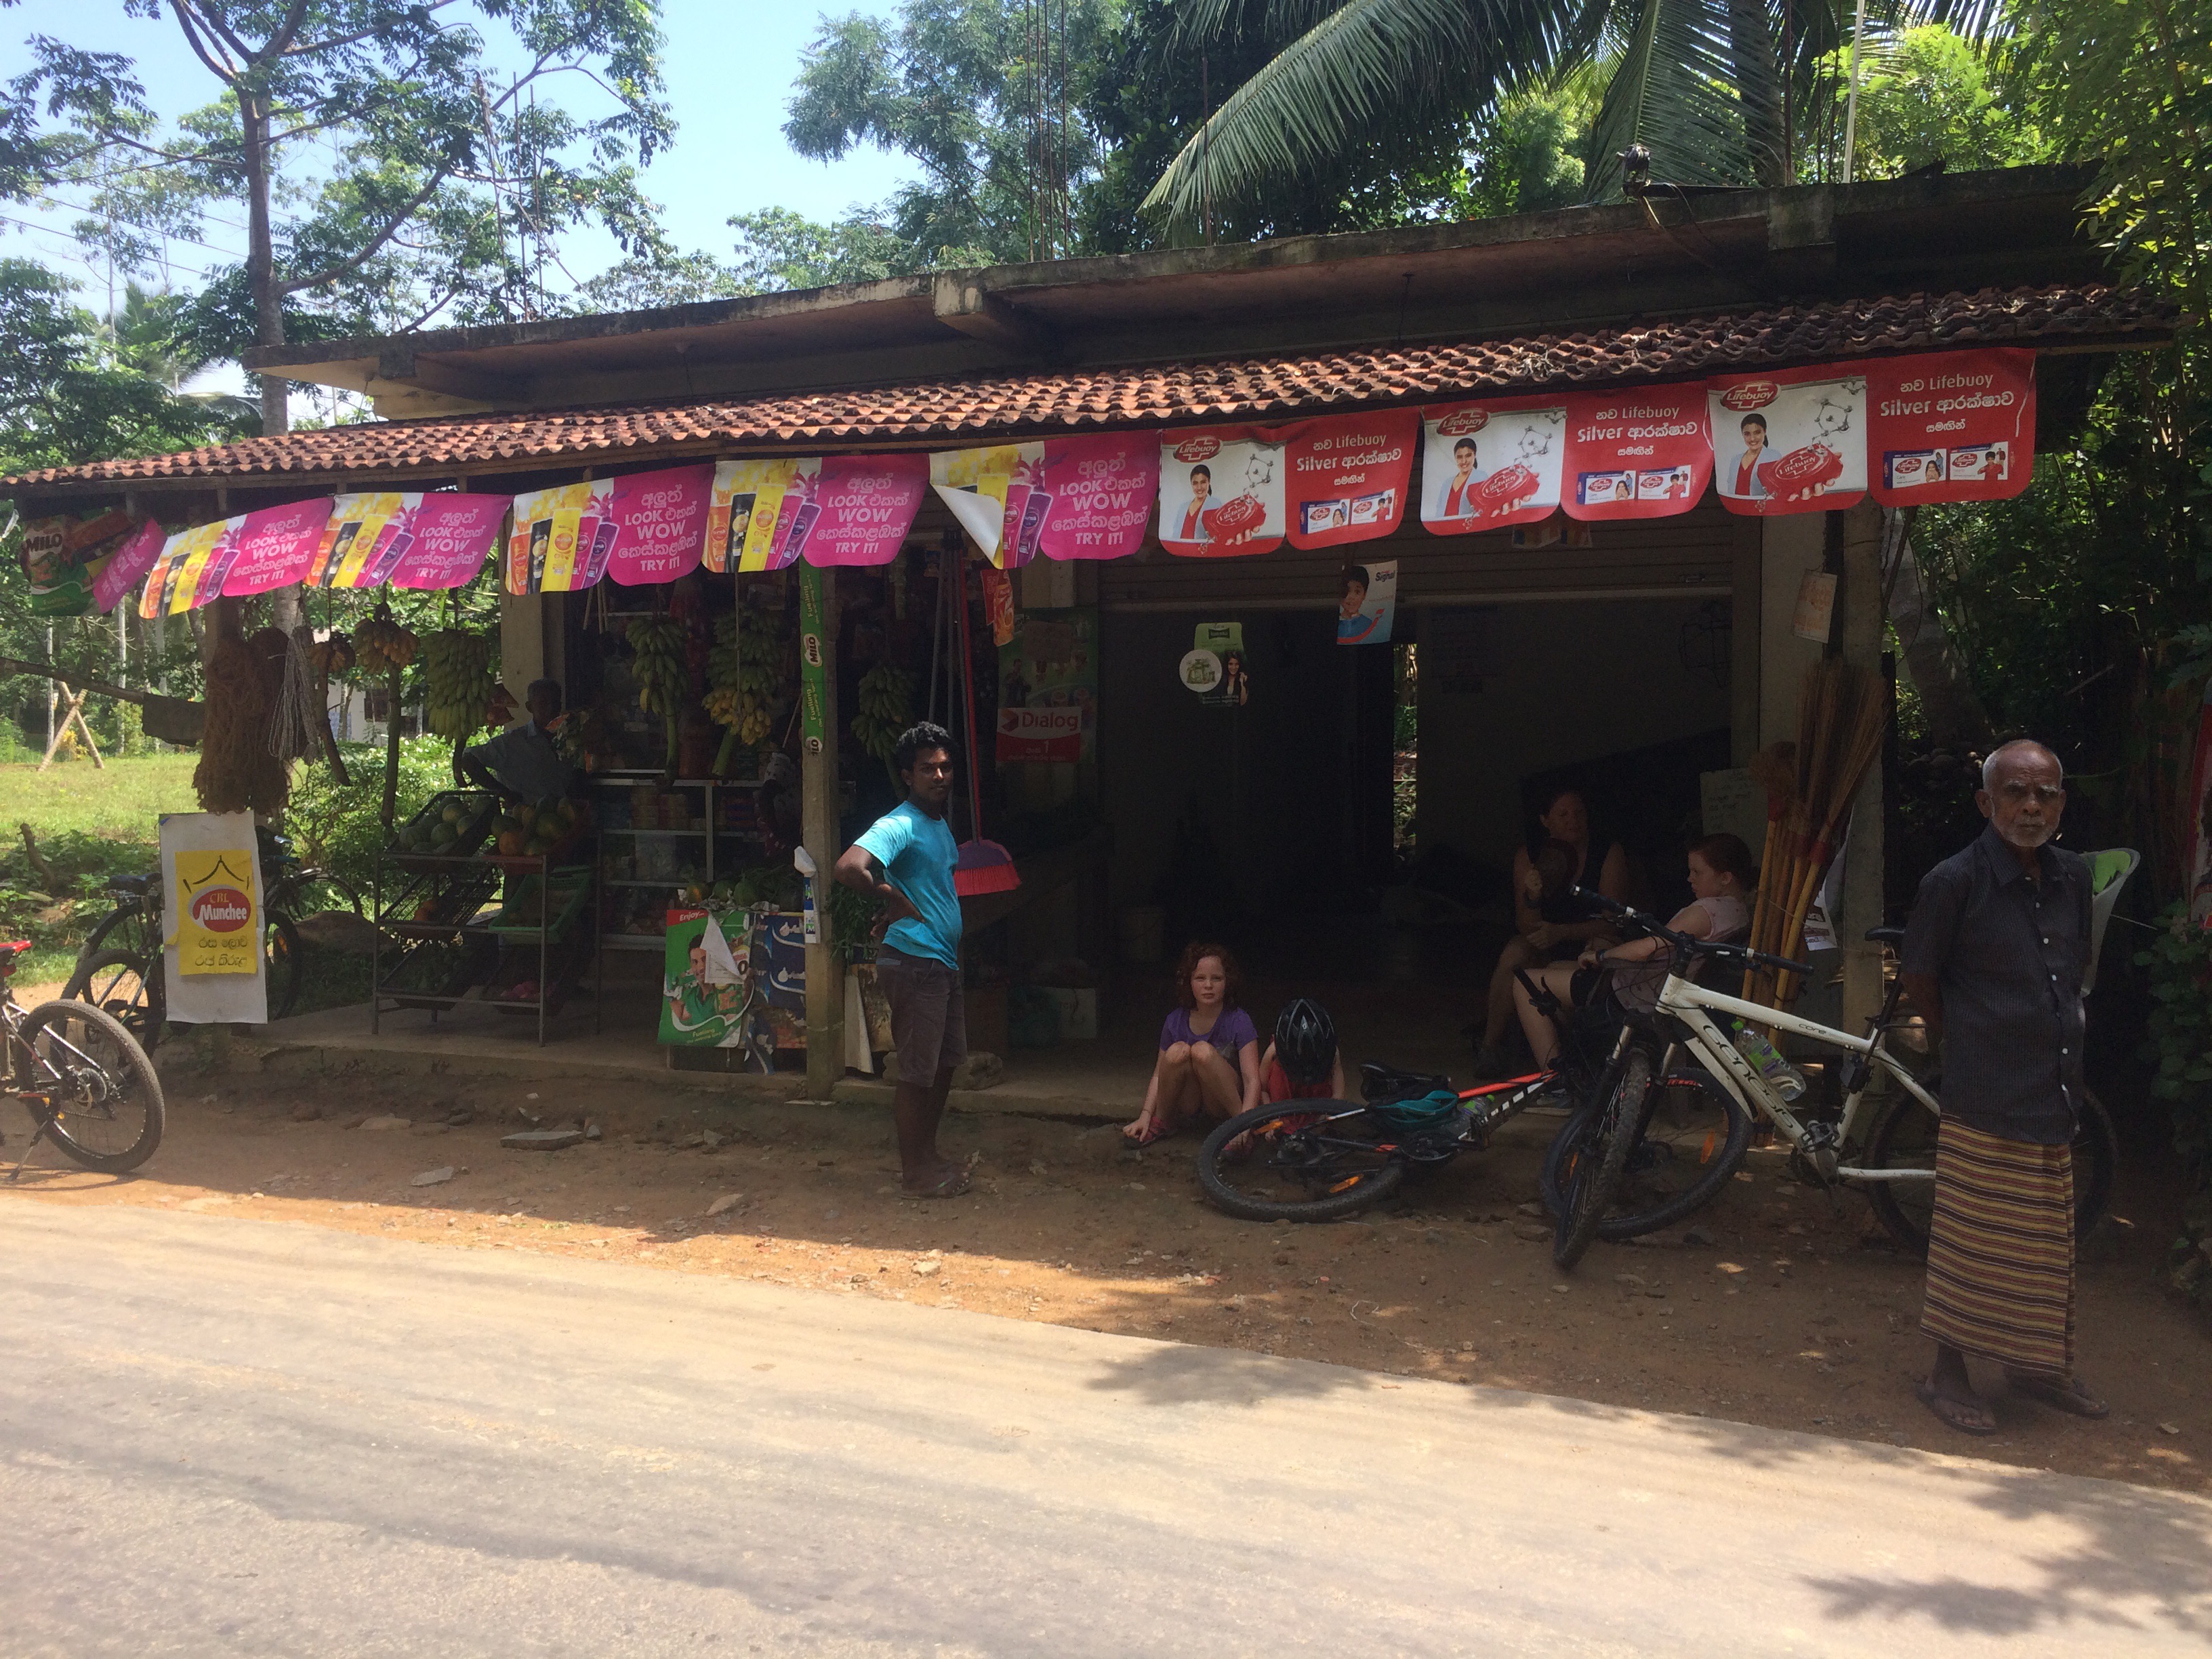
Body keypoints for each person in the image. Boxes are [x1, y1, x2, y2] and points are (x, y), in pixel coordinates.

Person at [1900, 739, 2104, 1436]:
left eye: (2045, 794)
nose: (2031, 806)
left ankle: (2035, 1367)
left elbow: (2073, 968)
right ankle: (1946, 1373)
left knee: (2045, 1241)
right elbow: (1920, 976)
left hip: (2054, 1084)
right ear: (1986, 803)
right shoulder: (1954, 881)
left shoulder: (2072, 877)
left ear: (2061, 804)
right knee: (1973, 1240)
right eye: (2016, 792)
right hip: (1985, 1090)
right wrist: (1969, 1034)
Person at [833, 722, 970, 1198]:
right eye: (928, 769)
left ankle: (928, 1157)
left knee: (945, 1064)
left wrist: (897, 903)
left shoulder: (937, 824)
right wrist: (889, 896)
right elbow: (849, 867)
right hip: (915, 962)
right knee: (916, 1072)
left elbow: (928, 886)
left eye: (946, 767)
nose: (940, 776)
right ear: (908, 776)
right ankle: (915, 1173)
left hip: (940, 962)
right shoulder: (900, 824)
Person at [1511, 834, 1755, 1065]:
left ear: (1725, 878)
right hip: (1653, 986)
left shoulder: (1705, 913)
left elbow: (1649, 949)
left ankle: (1553, 1079)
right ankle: (1575, 1063)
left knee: (1525, 984)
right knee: (1554, 968)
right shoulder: (1739, 913)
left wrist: (1601, 956)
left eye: (1697, 872)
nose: (1690, 879)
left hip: (1632, 993)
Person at [1473, 785, 1631, 1076]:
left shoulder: (1607, 852)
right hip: (1546, 941)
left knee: (1603, 945)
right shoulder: (1530, 856)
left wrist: (1564, 932)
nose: (1573, 820)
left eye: (1579, 813)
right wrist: (1532, 898)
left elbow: (1614, 920)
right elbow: (1526, 924)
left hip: (1588, 940)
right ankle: (1490, 1046)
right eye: (1563, 814)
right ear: (1546, 820)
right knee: (1514, 953)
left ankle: (1588, 1047)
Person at [1123, 941, 1260, 1145]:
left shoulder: (1239, 1020)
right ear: (1189, 982)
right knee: (1177, 1051)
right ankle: (1162, 1122)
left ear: (1228, 982)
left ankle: (1239, 1130)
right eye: (1200, 978)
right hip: (1190, 1102)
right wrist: (1145, 1116)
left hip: (1222, 1103)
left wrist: (1246, 1124)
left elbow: (1252, 1080)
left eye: (1216, 978)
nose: (1208, 986)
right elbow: (1159, 1074)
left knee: (1202, 1051)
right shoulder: (1174, 1021)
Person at [455, 678, 573, 806]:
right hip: (523, 816)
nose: (550, 709)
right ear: (530, 707)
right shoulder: (512, 742)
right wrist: (505, 793)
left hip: (567, 815)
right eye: (543, 704)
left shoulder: (570, 737)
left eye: (555, 703)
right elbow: (468, 759)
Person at [1260, 997, 1344, 1103]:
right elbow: (1262, 1089)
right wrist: (1271, 1110)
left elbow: (1338, 1095)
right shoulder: (1273, 1052)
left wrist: (1328, 1112)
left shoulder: (1332, 1054)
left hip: (1320, 1105)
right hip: (1281, 1103)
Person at [1435, 437, 1480, 517]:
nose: (1464, 461)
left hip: (1467, 523)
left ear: (1475, 455)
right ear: (1455, 458)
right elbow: (1439, 509)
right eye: (1459, 457)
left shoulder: (1481, 477)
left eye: (1468, 456)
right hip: (1445, 524)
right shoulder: (1447, 483)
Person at [1730, 414, 1771, 499]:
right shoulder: (1735, 460)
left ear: (1765, 432)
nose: (1752, 439)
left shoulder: (1773, 456)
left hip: (1759, 506)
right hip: (1735, 505)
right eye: (1747, 434)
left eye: (1757, 433)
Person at [1336, 566, 1380, 643]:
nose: (1351, 597)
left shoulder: (1368, 624)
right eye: (1347, 590)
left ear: (1364, 595)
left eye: (1357, 592)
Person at [1177, 464, 1213, 544]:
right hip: (1180, 549)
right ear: (1191, 484)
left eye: (1203, 482)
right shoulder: (1183, 507)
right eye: (1195, 483)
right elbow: (1175, 534)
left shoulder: (1215, 505)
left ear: (1209, 482)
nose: (1199, 487)